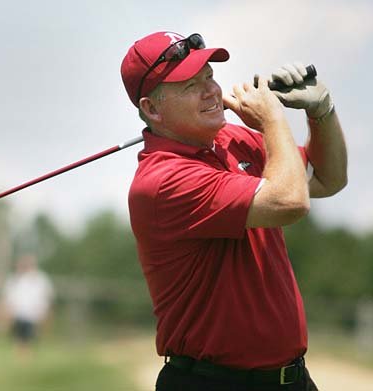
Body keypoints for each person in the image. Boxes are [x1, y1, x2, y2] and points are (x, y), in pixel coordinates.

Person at [121, 31, 347, 390]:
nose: (211, 91)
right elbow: (291, 201)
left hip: (291, 379)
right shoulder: (163, 181)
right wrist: (273, 122)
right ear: (152, 109)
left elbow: (328, 178)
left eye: (209, 77)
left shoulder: (232, 139)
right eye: (190, 85)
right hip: (211, 382)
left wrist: (321, 113)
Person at [0, 254, 54, 359]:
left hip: (33, 315)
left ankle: (24, 358)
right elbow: (7, 299)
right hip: (18, 314)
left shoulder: (41, 280)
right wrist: (3, 314)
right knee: (20, 339)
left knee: (27, 339)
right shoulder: (14, 280)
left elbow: (46, 299)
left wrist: (45, 314)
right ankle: (22, 358)